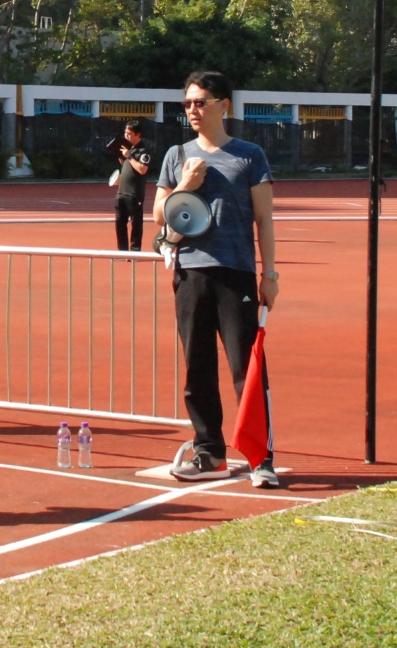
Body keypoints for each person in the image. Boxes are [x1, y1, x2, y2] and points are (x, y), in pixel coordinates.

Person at [153, 70, 280, 488]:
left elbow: (264, 219)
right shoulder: (177, 155)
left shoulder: (249, 155)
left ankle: (261, 458)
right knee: (199, 368)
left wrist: (270, 274)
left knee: (247, 368)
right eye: (188, 102)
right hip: (190, 272)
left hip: (236, 273)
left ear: (223, 105)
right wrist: (185, 184)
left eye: (200, 101)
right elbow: (158, 215)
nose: (192, 109)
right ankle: (210, 453)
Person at [112, 121, 154, 252]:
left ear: (138, 134)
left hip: (134, 194)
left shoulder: (144, 151)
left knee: (136, 224)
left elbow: (142, 169)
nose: (126, 136)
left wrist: (129, 156)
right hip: (121, 192)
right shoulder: (127, 148)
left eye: (129, 134)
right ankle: (122, 251)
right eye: (125, 133)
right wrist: (121, 156)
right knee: (120, 223)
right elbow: (125, 165)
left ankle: (135, 251)